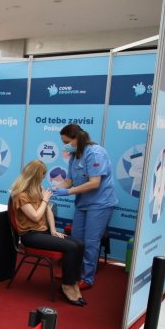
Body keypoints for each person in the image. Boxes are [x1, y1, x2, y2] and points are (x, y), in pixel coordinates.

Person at [11, 160, 86, 306]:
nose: (44, 177)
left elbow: (48, 211)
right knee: (71, 247)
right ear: (36, 175)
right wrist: (45, 199)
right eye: (43, 174)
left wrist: (53, 230)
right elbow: (35, 216)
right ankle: (67, 286)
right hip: (30, 235)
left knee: (79, 244)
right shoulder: (20, 194)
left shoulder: (37, 189)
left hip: (43, 232)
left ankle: (73, 282)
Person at [54, 124, 117, 290]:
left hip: (100, 204)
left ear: (77, 138)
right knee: (75, 241)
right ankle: (72, 273)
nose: (65, 146)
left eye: (67, 142)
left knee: (90, 242)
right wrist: (54, 188)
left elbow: (94, 183)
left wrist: (68, 192)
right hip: (83, 203)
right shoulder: (75, 156)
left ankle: (87, 278)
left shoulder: (95, 153)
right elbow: (69, 180)